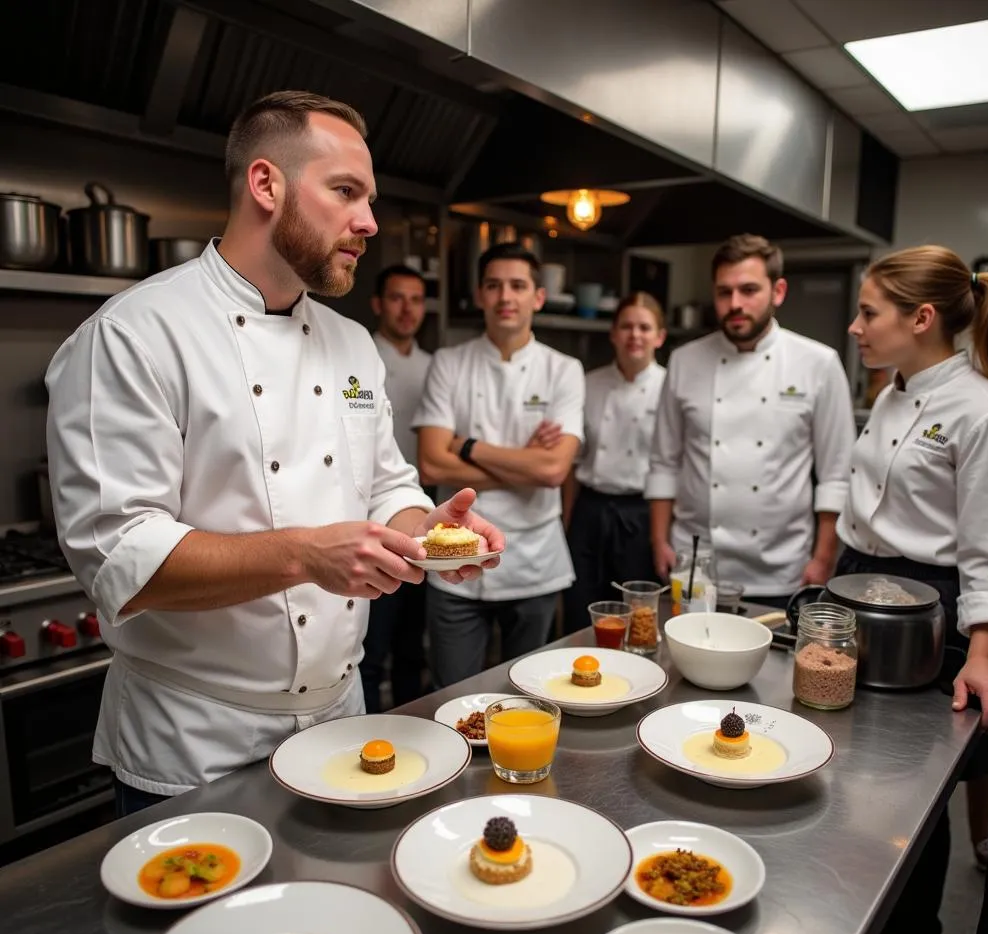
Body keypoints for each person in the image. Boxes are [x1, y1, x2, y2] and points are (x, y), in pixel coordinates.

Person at [44, 90, 502, 817]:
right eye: (346, 191)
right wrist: (304, 555)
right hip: (197, 744)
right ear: (266, 184)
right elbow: (119, 556)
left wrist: (430, 531)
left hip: (342, 723)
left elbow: (387, 486)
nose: (370, 223)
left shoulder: (353, 343)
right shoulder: (135, 335)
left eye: (370, 198)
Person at [836, 245, 988, 934]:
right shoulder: (891, 391)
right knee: (859, 776)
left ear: (921, 318)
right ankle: (861, 916)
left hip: (931, 611)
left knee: (911, 788)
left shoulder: (986, 413)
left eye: (869, 312)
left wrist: (986, 649)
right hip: (862, 592)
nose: (855, 327)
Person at [645, 234, 855, 605]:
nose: (735, 304)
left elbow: (836, 474)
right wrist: (659, 540)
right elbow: (664, 461)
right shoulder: (684, 360)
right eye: (724, 292)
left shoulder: (818, 363)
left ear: (778, 291)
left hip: (780, 568)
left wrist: (824, 557)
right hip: (694, 561)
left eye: (748, 290)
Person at [414, 242, 584, 687]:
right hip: (453, 559)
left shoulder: (564, 370)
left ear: (538, 297)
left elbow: (552, 472)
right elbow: (431, 464)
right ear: (480, 295)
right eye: (494, 285)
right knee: (450, 694)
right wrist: (522, 463)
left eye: (518, 286)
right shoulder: (449, 363)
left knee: (529, 694)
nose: (505, 296)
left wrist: (467, 446)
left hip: (534, 563)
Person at [562, 292, 667, 632]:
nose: (634, 335)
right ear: (613, 333)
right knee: (582, 609)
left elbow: (675, 467)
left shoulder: (670, 388)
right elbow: (573, 464)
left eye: (644, 327)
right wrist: (565, 520)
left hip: (642, 515)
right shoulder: (588, 383)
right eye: (626, 326)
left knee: (638, 618)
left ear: (659, 336)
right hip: (589, 512)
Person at [360, 264, 433, 712]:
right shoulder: (358, 353)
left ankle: (411, 723)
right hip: (367, 516)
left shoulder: (433, 365)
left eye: (416, 299)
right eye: (396, 298)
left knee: (412, 642)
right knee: (372, 644)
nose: (407, 309)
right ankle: (368, 724)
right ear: (377, 304)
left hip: (419, 511)